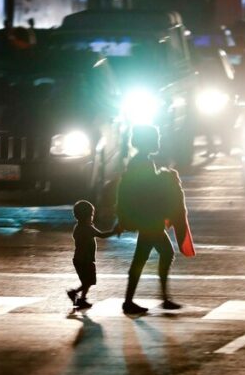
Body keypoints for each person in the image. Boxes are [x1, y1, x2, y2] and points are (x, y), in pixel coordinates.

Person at [117, 125, 194, 315]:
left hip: (147, 219)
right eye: (156, 138)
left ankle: (150, 299)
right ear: (147, 141)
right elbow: (144, 191)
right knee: (158, 255)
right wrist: (165, 178)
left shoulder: (141, 161)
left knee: (144, 258)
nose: (158, 141)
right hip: (148, 220)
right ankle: (158, 299)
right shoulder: (142, 163)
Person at [66, 200, 120, 310]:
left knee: (87, 282)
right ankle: (75, 294)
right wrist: (115, 231)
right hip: (85, 260)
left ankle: (81, 299)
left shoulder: (78, 227)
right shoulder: (87, 228)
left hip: (79, 260)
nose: (92, 217)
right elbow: (102, 235)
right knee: (88, 282)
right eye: (91, 215)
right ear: (86, 216)